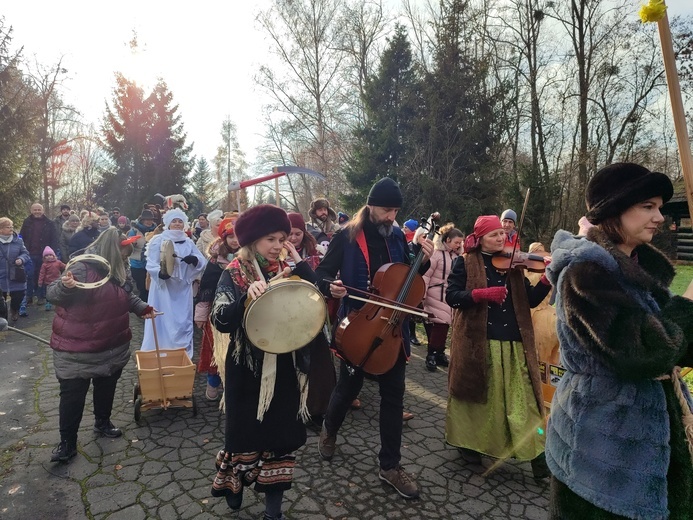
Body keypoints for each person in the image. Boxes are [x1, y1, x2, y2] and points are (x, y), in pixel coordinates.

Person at [545, 163, 693, 519]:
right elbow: (643, 352)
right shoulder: (586, 274)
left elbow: (679, 342)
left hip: (650, 433)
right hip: (603, 447)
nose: (660, 217)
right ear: (614, 210)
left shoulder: (635, 267)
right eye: (647, 206)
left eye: (659, 207)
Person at [315, 177, 434, 500]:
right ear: (370, 206)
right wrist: (331, 287)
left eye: (395, 210)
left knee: (394, 398)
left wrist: (421, 259)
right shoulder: (347, 236)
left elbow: (407, 281)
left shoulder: (396, 236)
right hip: (358, 327)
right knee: (347, 388)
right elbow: (321, 273)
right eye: (385, 210)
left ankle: (390, 466)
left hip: (393, 329)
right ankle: (329, 430)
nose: (391, 217)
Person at [209, 204, 325, 519]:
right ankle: (235, 483)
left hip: (285, 368)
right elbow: (220, 319)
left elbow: (317, 294)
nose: (277, 246)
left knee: (281, 440)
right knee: (244, 438)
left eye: (282, 239)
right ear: (252, 241)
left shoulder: (288, 268)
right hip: (247, 371)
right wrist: (247, 297)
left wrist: (299, 261)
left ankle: (273, 511)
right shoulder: (233, 271)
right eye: (270, 239)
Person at [445, 215, 551, 478]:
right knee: (479, 398)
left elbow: (530, 300)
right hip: (479, 342)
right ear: (480, 239)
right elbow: (452, 296)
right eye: (494, 235)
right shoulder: (465, 262)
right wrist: (480, 294)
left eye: (502, 235)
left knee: (523, 401)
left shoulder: (514, 265)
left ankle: (538, 455)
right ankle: (468, 445)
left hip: (514, 344)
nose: (501, 238)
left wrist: (548, 278)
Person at [46, 228, 154, 463]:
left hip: (111, 345)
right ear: (114, 250)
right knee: (72, 397)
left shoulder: (119, 268)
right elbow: (53, 294)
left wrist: (142, 308)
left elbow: (126, 294)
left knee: (106, 388)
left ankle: (102, 422)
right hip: (76, 349)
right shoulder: (82, 267)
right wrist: (66, 286)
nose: (128, 256)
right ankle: (67, 443)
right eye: (125, 251)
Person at [141, 208, 206, 359]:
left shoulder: (189, 242)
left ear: (184, 224)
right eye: (174, 221)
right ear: (168, 224)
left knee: (182, 321)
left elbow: (202, 261)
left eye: (180, 221)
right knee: (163, 320)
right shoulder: (158, 240)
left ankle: (181, 354)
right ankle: (160, 354)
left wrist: (195, 261)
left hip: (182, 289)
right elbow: (150, 263)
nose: (177, 224)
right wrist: (160, 273)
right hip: (163, 290)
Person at [194, 218, 239, 400]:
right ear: (224, 238)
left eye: (238, 236)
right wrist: (201, 314)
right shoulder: (215, 261)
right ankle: (213, 381)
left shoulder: (249, 257)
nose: (235, 241)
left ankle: (232, 385)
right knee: (216, 348)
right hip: (217, 310)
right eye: (231, 237)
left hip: (239, 309)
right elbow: (206, 288)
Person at [422, 223, 463, 371]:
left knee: (443, 325)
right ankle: (432, 355)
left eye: (460, 243)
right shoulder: (436, 255)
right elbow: (426, 275)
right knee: (441, 324)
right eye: (456, 242)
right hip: (435, 294)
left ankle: (438, 352)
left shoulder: (457, 257)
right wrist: (422, 295)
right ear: (447, 240)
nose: (459, 245)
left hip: (448, 296)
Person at [19, 203, 59, 305]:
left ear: (43, 210)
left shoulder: (49, 223)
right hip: (29, 253)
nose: (37, 212)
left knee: (42, 276)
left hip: (44, 255)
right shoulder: (27, 222)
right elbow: (21, 236)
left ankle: (40, 296)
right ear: (31, 211)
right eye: (35, 210)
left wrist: (52, 253)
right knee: (30, 275)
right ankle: (29, 296)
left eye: (39, 210)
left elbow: (54, 239)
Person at [0, 218, 30, 323]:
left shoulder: (18, 241)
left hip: (15, 274)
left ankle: (14, 309)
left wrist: (21, 259)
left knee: (19, 295)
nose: (11, 229)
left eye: (12, 227)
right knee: (0, 301)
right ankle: (3, 321)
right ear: (1, 229)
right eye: (8, 227)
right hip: (1, 276)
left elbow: (26, 254)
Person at [127, 208, 157, 301]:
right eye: (147, 220)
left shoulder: (156, 231)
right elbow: (127, 247)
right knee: (143, 288)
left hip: (151, 263)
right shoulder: (134, 231)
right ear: (142, 220)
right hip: (137, 263)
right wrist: (132, 243)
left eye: (151, 219)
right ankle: (144, 310)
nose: (149, 222)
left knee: (151, 288)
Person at [38, 246, 65, 311]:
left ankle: (58, 304)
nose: (49, 256)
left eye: (50, 255)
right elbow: (42, 274)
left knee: (58, 292)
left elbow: (64, 266)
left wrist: (70, 265)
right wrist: (40, 282)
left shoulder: (58, 262)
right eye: (47, 255)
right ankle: (48, 303)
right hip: (48, 282)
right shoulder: (44, 265)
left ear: (54, 255)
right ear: (44, 257)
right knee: (48, 294)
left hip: (57, 281)